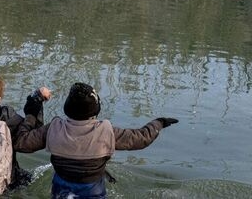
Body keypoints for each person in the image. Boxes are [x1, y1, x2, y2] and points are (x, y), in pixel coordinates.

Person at [14, 82, 177, 199]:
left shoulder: (53, 129)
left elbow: (22, 143)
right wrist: (159, 123)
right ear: (96, 109)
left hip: (61, 192)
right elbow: (141, 139)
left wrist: (34, 106)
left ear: (67, 108)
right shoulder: (106, 131)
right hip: (93, 192)